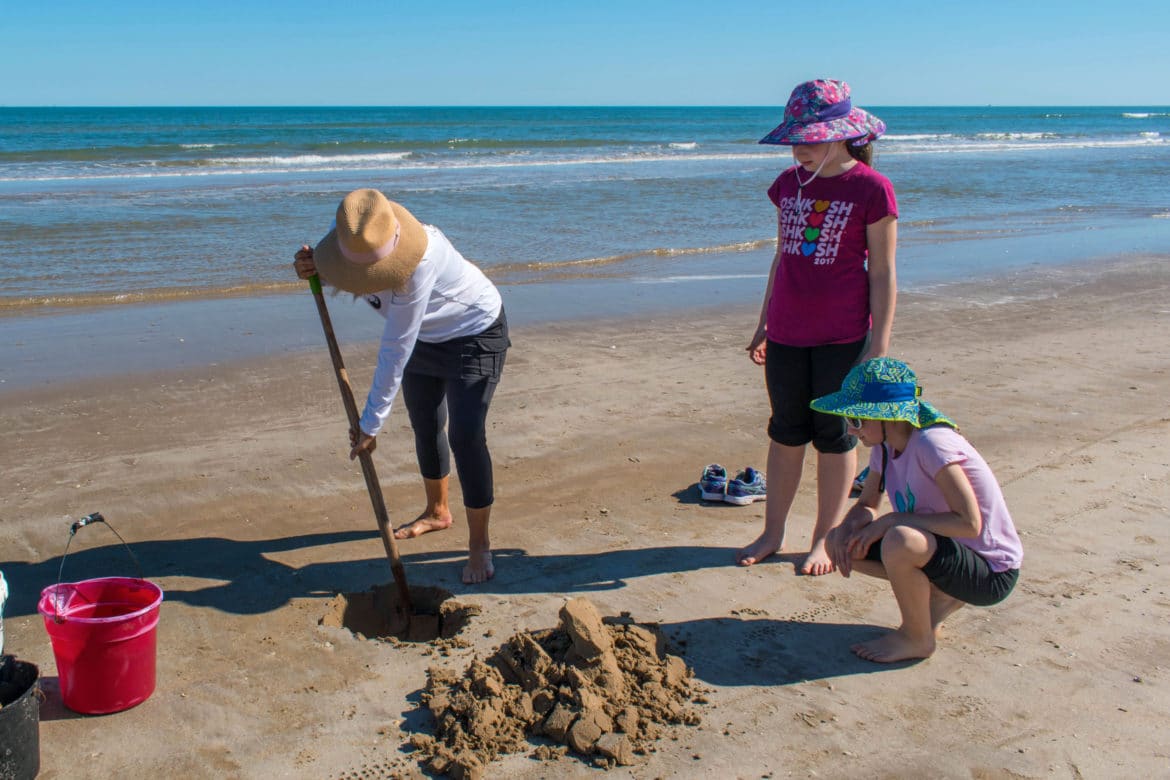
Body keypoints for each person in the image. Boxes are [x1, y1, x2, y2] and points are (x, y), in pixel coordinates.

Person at [294, 188, 509, 584]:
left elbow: (395, 348)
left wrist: (370, 424)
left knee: (465, 435)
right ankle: (437, 512)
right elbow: (332, 267)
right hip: (425, 338)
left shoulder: (419, 263)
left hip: (473, 331)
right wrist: (311, 268)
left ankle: (479, 544)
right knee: (425, 424)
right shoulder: (354, 230)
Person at [738, 79, 899, 575]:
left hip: (844, 337)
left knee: (833, 437)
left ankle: (825, 540)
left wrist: (879, 346)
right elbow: (781, 258)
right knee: (786, 432)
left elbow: (884, 272)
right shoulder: (787, 185)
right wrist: (764, 322)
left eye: (808, 138)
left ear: (840, 136)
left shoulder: (871, 189)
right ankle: (772, 532)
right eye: (794, 139)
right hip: (787, 331)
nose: (798, 149)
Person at [812, 358, 1023, 663]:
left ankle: (917, 638)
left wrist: (894, 518)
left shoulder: (932, 444)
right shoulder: (883, 447)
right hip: (945, 553)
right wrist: (847, 529)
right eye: (848, 418)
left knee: (901, 539)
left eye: (857, 419)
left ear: (889, 417)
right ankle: (939, 598)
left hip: (990, 572)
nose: (850, 428)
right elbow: (868, 503)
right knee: (836, 541)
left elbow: (970, 523)